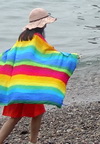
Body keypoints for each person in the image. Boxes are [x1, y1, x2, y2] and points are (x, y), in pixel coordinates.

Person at [0, 9, 78, 144]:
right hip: (31, 86)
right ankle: (32, 141)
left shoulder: (23, 37)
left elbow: (13, 55)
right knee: (33, 114)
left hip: (18, 84)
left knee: (16, 116)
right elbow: (48, 55)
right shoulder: (37, 39)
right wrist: (70, 58)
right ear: (42, 24)